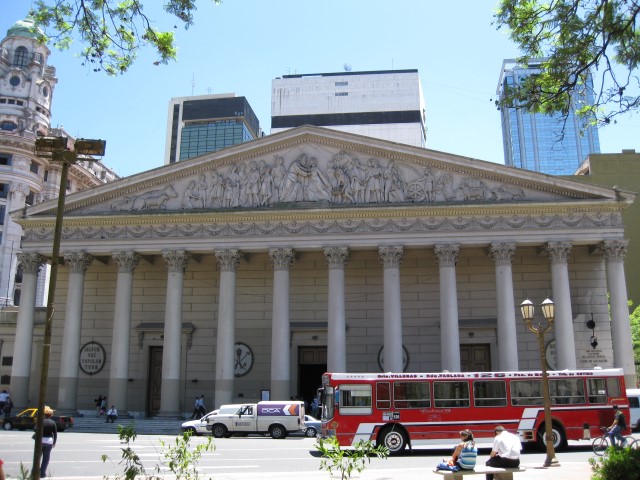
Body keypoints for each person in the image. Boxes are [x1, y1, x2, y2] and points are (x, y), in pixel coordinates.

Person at [40, 405, 57, 478]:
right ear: (51, 415)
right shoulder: (53, 423)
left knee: (38, 457)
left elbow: (35, 429)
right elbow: (55, 433)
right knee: (46, 458)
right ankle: (42, 473)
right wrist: (54, 443)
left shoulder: (41, 421)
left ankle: (35, 471)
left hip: (40, 441)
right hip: (49, 441)